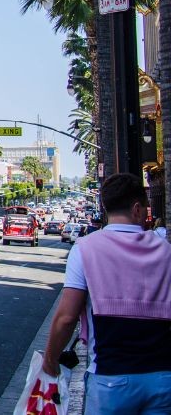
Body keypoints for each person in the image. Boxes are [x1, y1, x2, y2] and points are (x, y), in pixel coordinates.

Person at [41, 173, 171, 413]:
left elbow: (67, 317)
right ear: (137, 209)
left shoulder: (85, 249)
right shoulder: (165, 250)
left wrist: (50, 360)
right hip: (163, 378)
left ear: (105, 206)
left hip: (111, 378)